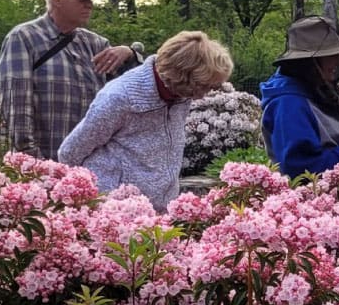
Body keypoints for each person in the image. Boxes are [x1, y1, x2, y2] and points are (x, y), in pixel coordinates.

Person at [58, 31, 233, 211]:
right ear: (182, 76)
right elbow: (70, 152)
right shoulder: (119, 97)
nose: (203, 95)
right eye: (203, 86)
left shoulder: (182, 93)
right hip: (116, 211)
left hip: (161, 211)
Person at [0, 0, 142, 160]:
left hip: (90, 168)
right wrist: (32, 161)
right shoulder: (24, 38)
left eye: (90, 0)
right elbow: (17, 105)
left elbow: (134, 91)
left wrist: (130, 54)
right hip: (44, 164)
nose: (89, 5)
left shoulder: (95, 44)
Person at [260, 15, 339, 194]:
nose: (337, 62)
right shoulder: (289, 104)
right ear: (307, 62)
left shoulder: (312, 88)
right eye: (329, 56)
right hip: (317, 213)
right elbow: (301, 170)